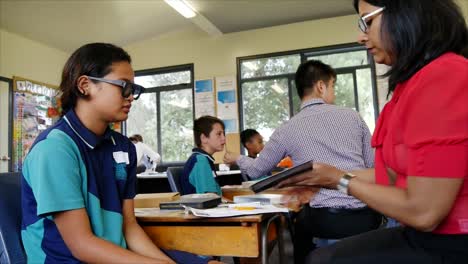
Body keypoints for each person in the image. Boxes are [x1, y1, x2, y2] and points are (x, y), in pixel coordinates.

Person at [276, 1, 468, 263]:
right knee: (321, 257)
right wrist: (323, 178)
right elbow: (386, 177)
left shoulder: (444, 76)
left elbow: (424, 212)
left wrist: (338, 180)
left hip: (452, 241)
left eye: (367, 21)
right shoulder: (405, 90)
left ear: (408, 14)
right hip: (418, 233)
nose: (361, 36)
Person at [21, 43, 220, 264]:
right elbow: (81, 245)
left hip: (118, 254)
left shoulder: (122, 146)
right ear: (85, 85)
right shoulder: (55, 149)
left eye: (133, 90)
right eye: (123, 86)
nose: (130, 97)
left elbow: (129, 227)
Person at [225, 60, 380, 263]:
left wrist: (238, 158)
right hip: (366, 217)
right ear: (321, 86)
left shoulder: (287, 129)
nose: (333, 92)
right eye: (332, 86)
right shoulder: (353, 117)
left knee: (295, 223)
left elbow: (256, 171)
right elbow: (373, 167)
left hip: (326, 221)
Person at [181, 115, 226, 196]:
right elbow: (210, 198)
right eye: (219, 134)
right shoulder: (201, 161)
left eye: (224, 134)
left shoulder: (203, 158)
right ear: (204, 138)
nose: (224, 138)